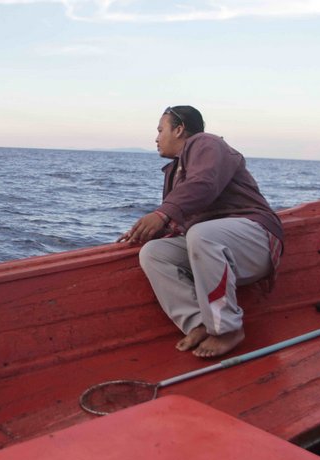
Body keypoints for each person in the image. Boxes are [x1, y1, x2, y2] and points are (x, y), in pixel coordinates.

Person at [118, 106, 283, 358]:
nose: (156, 138)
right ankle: (198, 322)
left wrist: (162, 213)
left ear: (179, 129)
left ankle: (226, 329)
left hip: (255, 239)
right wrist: (150, 231)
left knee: (202, 234)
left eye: (161, 130)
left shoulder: (206, 143)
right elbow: (190, 213)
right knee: (154, 252)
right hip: (218, 246)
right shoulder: (177, 168)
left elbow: (203, 184)